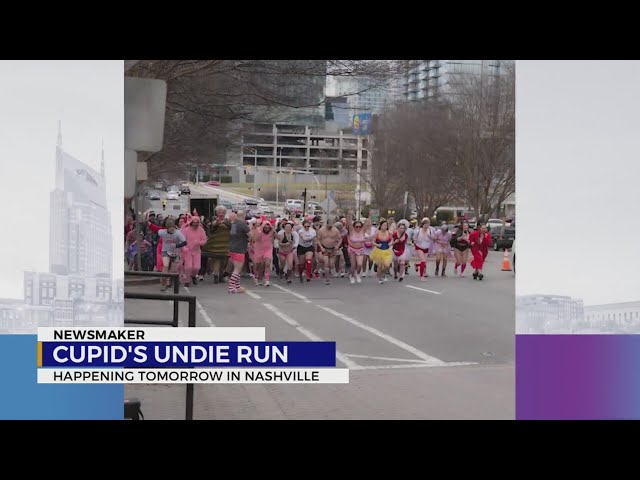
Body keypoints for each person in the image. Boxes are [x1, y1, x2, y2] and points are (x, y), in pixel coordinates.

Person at [201, 206, 231, 284]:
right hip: (215, 244)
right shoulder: (214, 219)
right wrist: (217, 222)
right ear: (216, 213)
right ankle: (216, 276)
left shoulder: (228, 221)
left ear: (225, 213)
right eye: (219, 212)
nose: (221, 213)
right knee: (217, 260)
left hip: (225, 244)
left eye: (222, 212)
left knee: (224, 261)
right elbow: (212, 225)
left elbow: (231, 228)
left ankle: (221, 275)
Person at [157, 219, 187, 291]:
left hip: (175, 252)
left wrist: (177, 245)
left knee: (173, 270)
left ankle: (169, 282)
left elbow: (185, 242)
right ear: (167, 228)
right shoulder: (162, 232)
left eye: (173, 229)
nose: (172, 230)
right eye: (170, 229)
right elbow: (156, 230)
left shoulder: (178, 233)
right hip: (165, 251)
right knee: (166, 265)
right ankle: (163, 283)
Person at [227, 210, 251, 293]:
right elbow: (251, 236)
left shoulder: (234, 224)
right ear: (244, 216)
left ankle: (237, 286)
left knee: (237, 269)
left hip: (232, 248)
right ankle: (231, 287)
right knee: (237, 269)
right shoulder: (243, 225)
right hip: (240, 248)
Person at [180, 215, 207, 287]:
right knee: (188, 266)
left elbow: (204, 240)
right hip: (187, 251)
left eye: (197, 223)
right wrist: (184, 248)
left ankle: (193, 275)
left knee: (197, 267)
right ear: (191, 222)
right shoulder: (186, 230)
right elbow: (182, 240)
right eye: (194, 223)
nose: (195, 224)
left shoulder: (201, 230)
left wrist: (198, 242)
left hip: (197, 251)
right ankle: (187, 281)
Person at [316, 217, 343, 285]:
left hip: (332, 248)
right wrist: (321, 247)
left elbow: (340, 239)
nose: (330, 226)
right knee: (326, 263)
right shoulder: (321, 230)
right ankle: (327, 279)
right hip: (324, 248)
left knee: (331, 264)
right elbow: (318, 240)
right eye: (329, 225)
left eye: (332, 225)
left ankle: (326, 272)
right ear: (327, 224)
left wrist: (337, 246)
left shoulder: (335, 230)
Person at [345, 213, 370, 284]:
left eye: (359, 227)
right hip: (352, 249)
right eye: (356, 227)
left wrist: (370, 216)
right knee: (353, 265)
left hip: (360, 250)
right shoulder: (352, 231)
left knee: (359, 264)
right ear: (354, 227)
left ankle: (357, 274)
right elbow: (349, 223)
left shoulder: (362, 231)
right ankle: (352, 276)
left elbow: (367, 223)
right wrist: (349, 216)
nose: (358, 228)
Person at [251, 219, 276, 287]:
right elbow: (254, 239)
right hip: (258, 249)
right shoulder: (258, 230)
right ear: (263, 227)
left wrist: (274, 232)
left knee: (267, 264)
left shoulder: (271, 231)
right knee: (257, 265)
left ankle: (266, 279)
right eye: (265, 227)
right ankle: (256, 276)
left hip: (268, 249)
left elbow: (277, 238)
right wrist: (259, 232)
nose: (267, 229)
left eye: (268, 228)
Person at [370, 219, 393, 284]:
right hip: (379, 251)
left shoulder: (389, 233)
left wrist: (391, 243)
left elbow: (392, 240)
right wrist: (377, 244)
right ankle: (380, 278)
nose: (385, 226)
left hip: (387, 250)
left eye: (386, 225)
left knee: (387, 265)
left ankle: (383, 274)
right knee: (379, 266)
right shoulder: (377, 233)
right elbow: (372, 241)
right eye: (383, 225)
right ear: (380, 226)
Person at [296, 219, 316, 283]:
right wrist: (310, 238)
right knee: (302, 264)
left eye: (308, 226)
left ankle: (308, 275)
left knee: (309, 261)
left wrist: (315, 249)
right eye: (305, 226)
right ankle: (300, 274)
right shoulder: (301, 231)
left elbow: (314, 241)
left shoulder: (312, 231)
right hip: (301, 247)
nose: (307, 228)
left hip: (309, 247)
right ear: (303, 226)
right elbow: (304, 238)